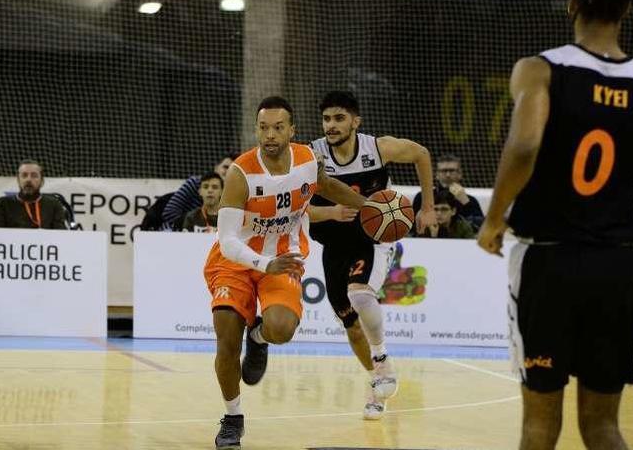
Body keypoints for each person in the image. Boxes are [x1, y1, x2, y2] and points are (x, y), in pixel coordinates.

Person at [478, 0, 633, 448]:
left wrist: (494, 218)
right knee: (604, 426)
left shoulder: (542, 69)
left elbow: (523, 147)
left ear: (572, 0)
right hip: (618, 267)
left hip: (549, 260)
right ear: (627, 7)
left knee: (540, 425)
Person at [204, 96, 391, 449]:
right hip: (237, 260)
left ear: (292, 130)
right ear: (256, 129)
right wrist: (262, 263)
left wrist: (370, 207)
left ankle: (258, 338)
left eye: (277, 127)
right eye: (263, 128)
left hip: (284, 257)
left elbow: (327, 187)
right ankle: (232, 417)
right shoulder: (241, 173)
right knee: (227, 337)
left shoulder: (307, 159)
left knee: (282, 328)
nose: (270, 135)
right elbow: (227, 240)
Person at [307, 90, 436, 419]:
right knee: (350, 325)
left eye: (338, 118)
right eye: (326, 119)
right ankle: (377, 381)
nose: (331, 125)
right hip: (335, 244)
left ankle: (381, 359)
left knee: (360, 295)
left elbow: (421, 153)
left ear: (355, 121)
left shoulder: (378, 148)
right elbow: (301, 211)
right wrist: (332, 212)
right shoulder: (312, 156)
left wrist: (428, 208)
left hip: (373, 239)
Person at [162, 152, 236, 230]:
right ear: (216, 167)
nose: (228, 171)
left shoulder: (233, 193)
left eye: (232, 169)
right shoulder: (195, 183)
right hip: (174, 231)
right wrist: (191, 223)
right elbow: (169, 212)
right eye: (225, 167)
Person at [413, 153, 484, 230]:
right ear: (437, 174)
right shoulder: (423, 197)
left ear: (460, 174)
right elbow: (412, 226)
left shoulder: (470, 200)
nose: (448, 174)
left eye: (452, 170)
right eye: (443, 171)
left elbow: (480, 227)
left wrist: (466, 203)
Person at [0, 160, 69, 229]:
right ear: (18, 180)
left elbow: (60, 236)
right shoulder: (3, 204)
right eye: (24, 175)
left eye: (34, 175)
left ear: (42, 181)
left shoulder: (54, 204)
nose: (28, 179)